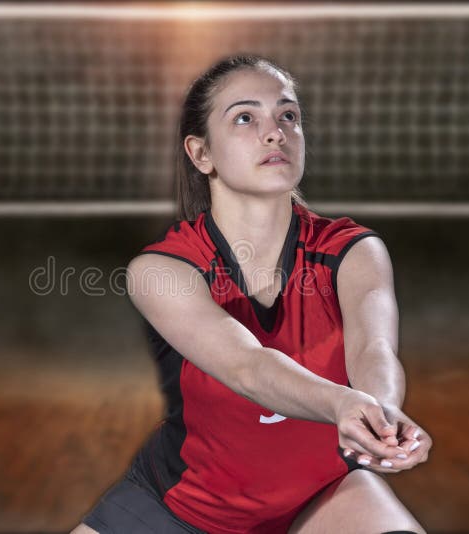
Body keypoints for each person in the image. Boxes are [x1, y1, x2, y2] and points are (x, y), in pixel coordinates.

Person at [71, 55, 432, 534]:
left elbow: (374, 349)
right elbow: (248, 367)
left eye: (288, 116)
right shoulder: (162, 269)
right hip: (183, 510)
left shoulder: (352, 251)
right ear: (201, 154)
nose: (275, 132)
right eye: (245, 117)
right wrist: (343, 404)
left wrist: (382, 416)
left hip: (319, 498)